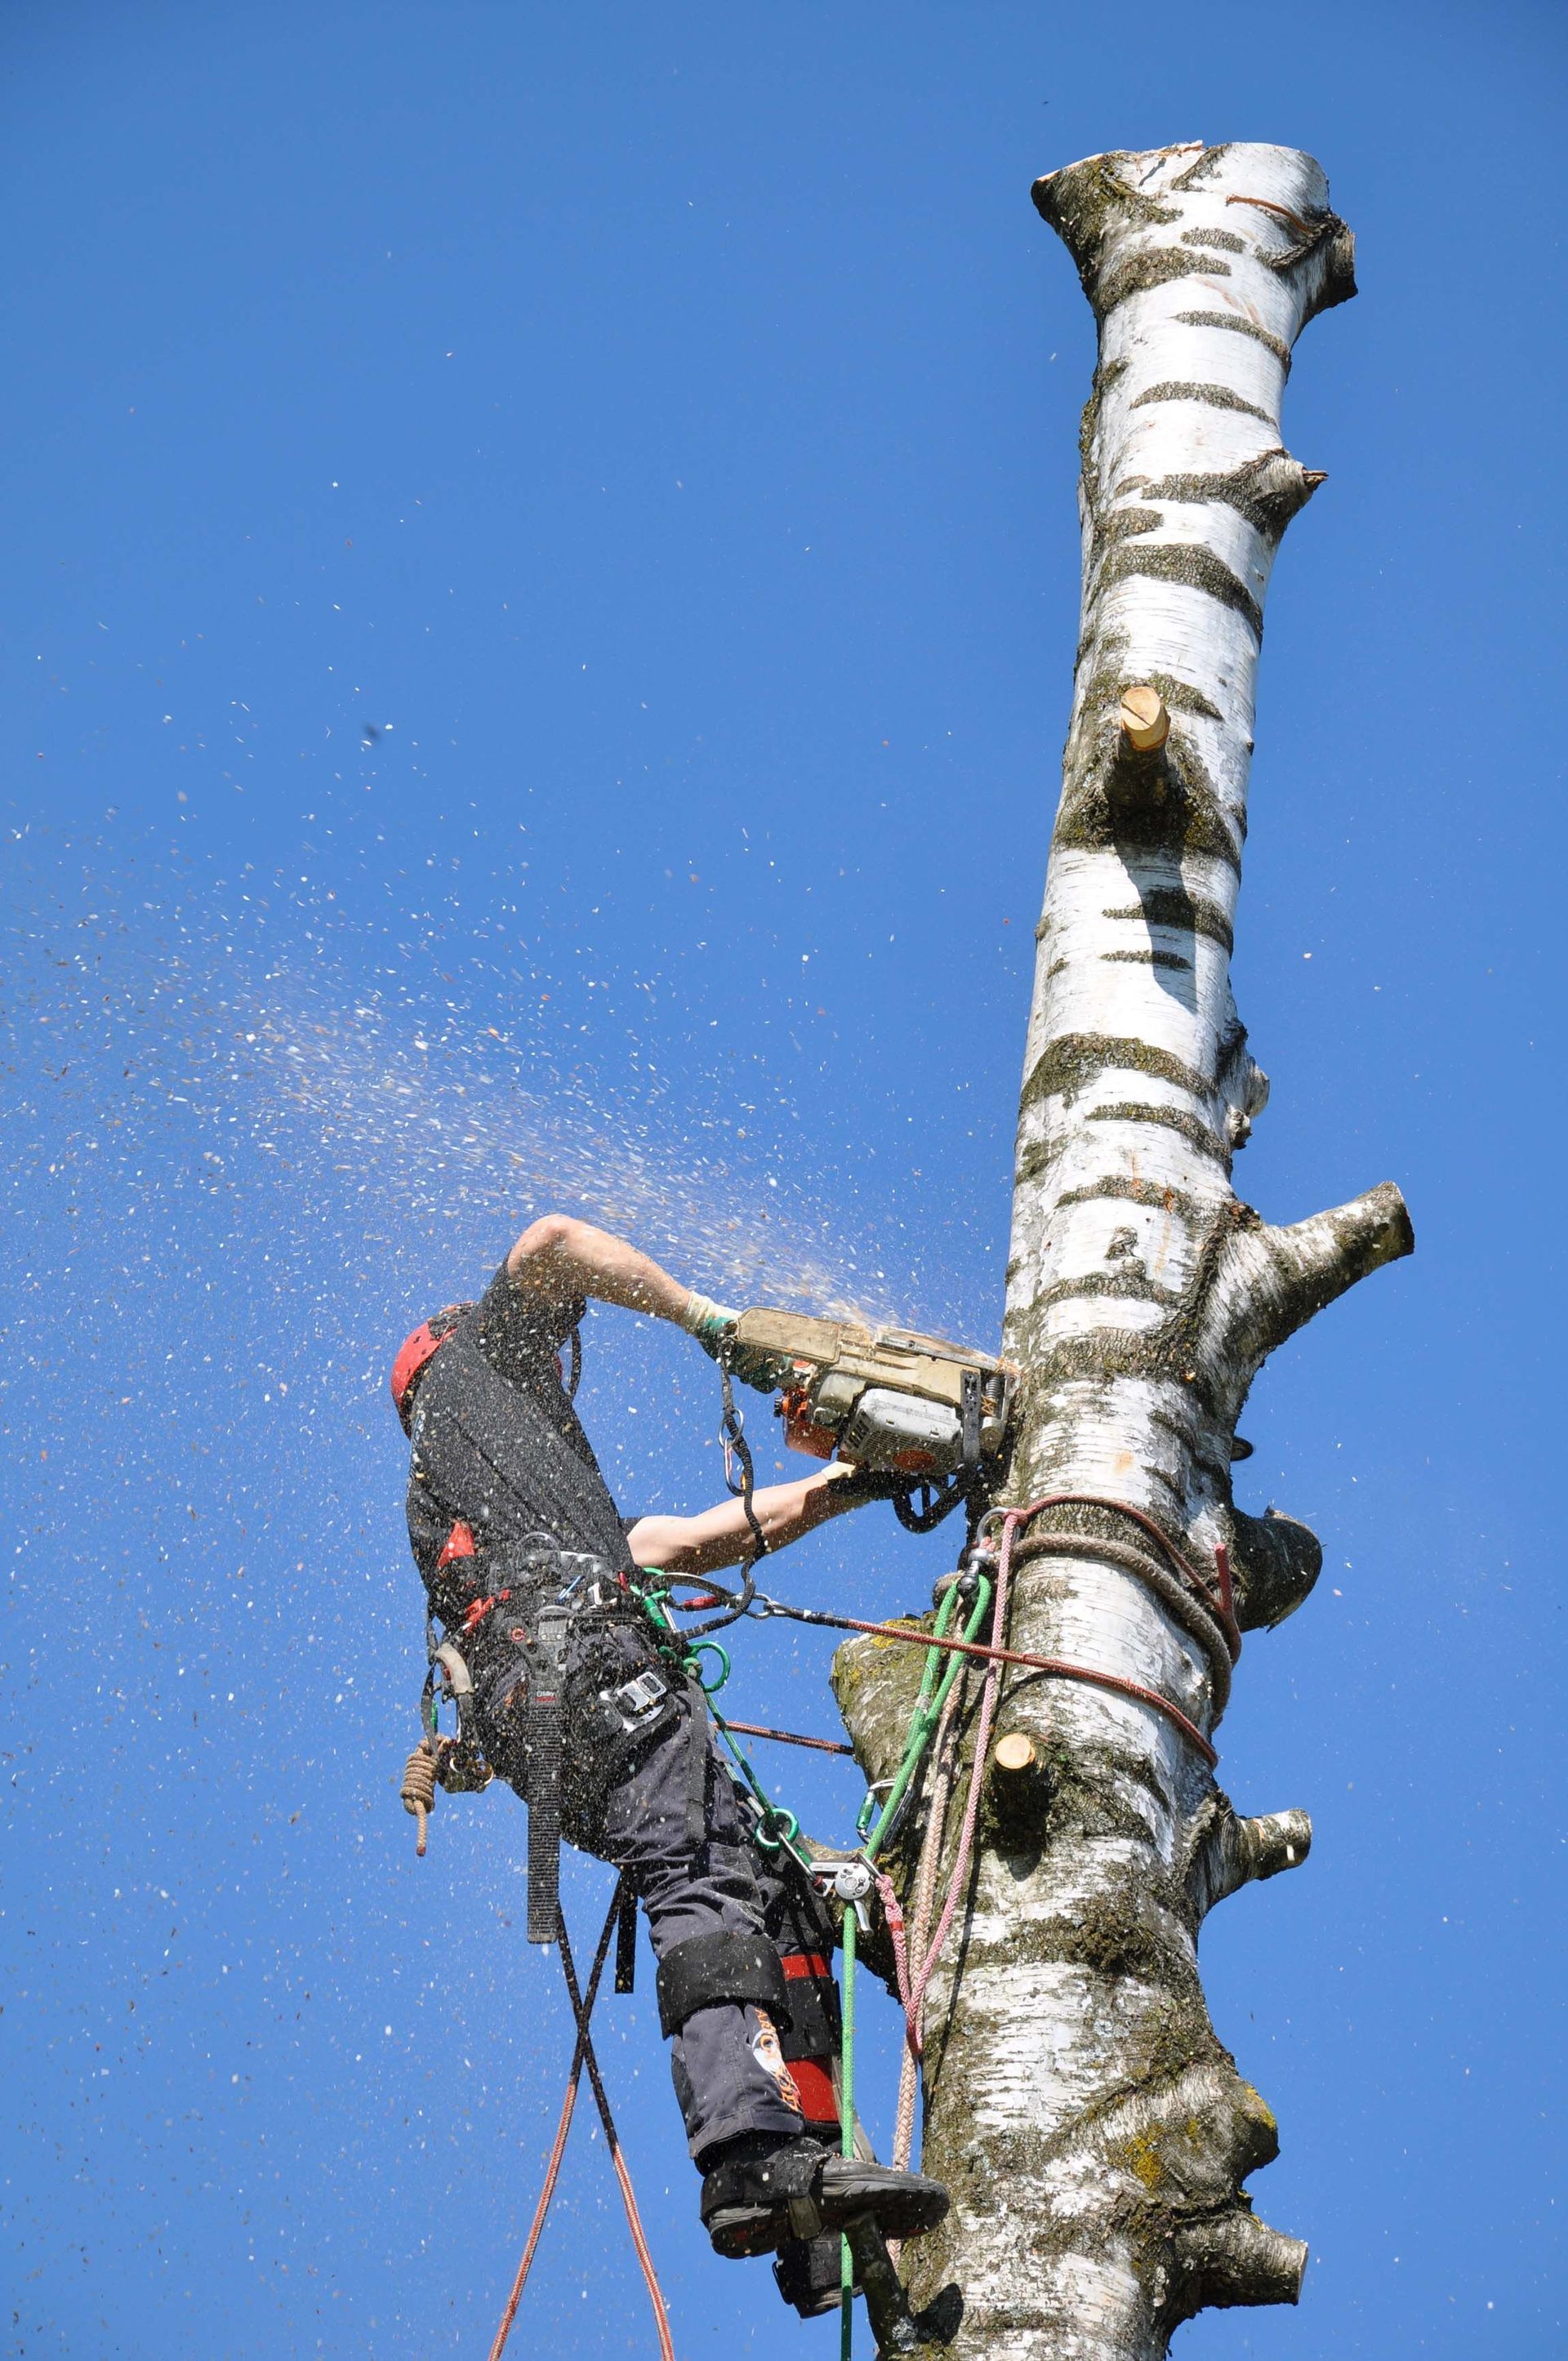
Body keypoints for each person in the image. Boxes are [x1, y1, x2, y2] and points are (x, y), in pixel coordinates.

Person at [391, 1214, 947, 2309]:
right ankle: (750, 2157)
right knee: (701, 1877)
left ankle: (811, 2207)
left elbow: (699, 1540)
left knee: (780, 1900)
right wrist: (714, 1325)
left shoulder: (503, 1512)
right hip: (592, 1673)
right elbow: (552, 1240)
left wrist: (860, 1481)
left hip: (557, 1714)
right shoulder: (479, 1367)